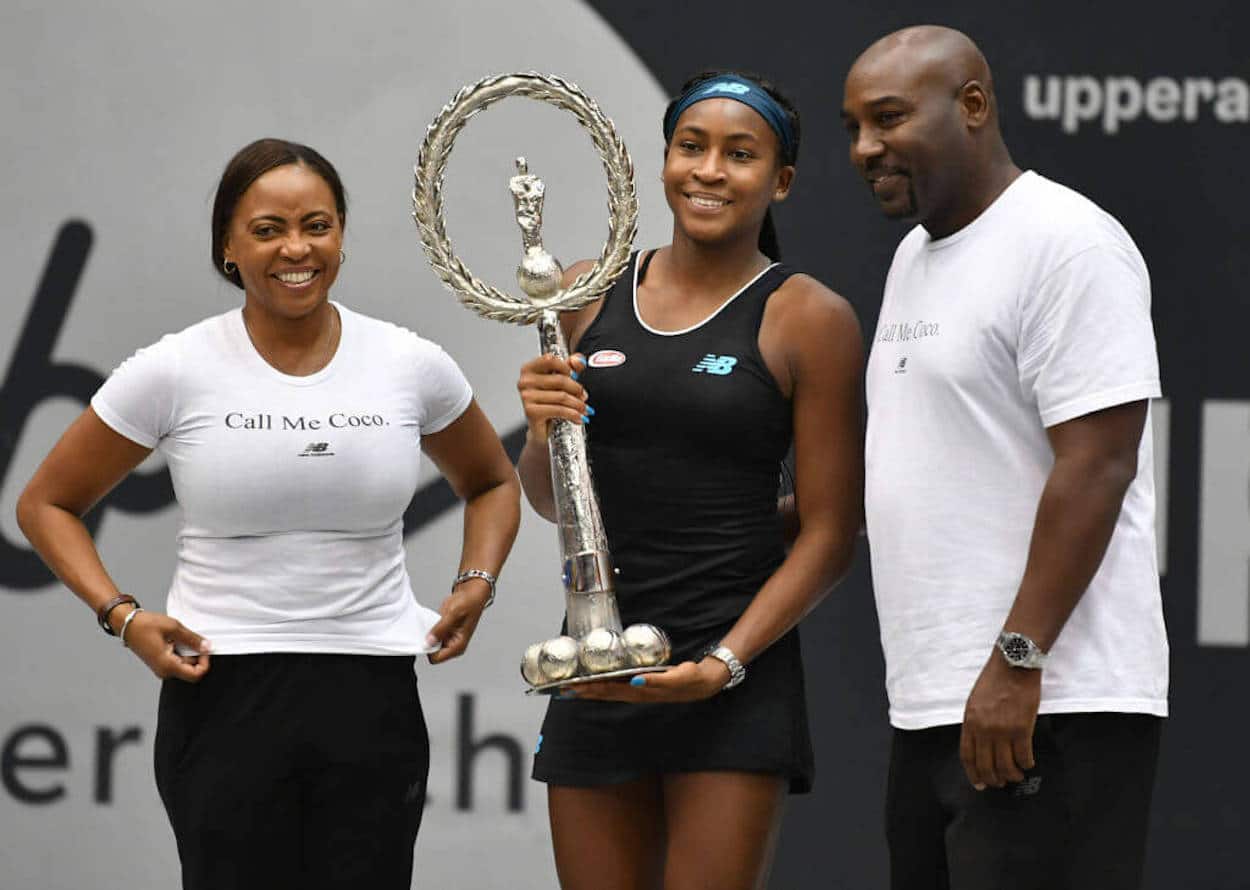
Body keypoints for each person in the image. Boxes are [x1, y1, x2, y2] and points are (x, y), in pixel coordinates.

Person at [15, 138, 521, 890]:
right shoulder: (175, 368)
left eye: (317, 226)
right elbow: (46, 503)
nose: (296, 249)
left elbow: (492, 482)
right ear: (227, 244)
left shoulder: (408, 363)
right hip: (221, 692)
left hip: (371, 691)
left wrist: (476, 581)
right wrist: (122, 615)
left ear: (342, 235)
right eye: (267, 229)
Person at [515, 71, 864, 890]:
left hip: (730, 679)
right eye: (692, 146)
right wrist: (541, 435)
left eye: (740, 155)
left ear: (778, 181)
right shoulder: (586, 290)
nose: (710, 171)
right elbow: (550, 499)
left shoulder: (807, 316)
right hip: (598, 667)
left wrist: (726, 662)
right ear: (665, 159)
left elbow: (829, 532)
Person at [841, 26, 1168, 890]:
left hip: (1050, 704)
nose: (866, 148)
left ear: (974, 106)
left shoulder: (1069, 243)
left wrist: (1017, 664)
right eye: (854, 128)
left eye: (888, 118)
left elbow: (1099, 465)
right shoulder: (914, 256)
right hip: (933, 703)